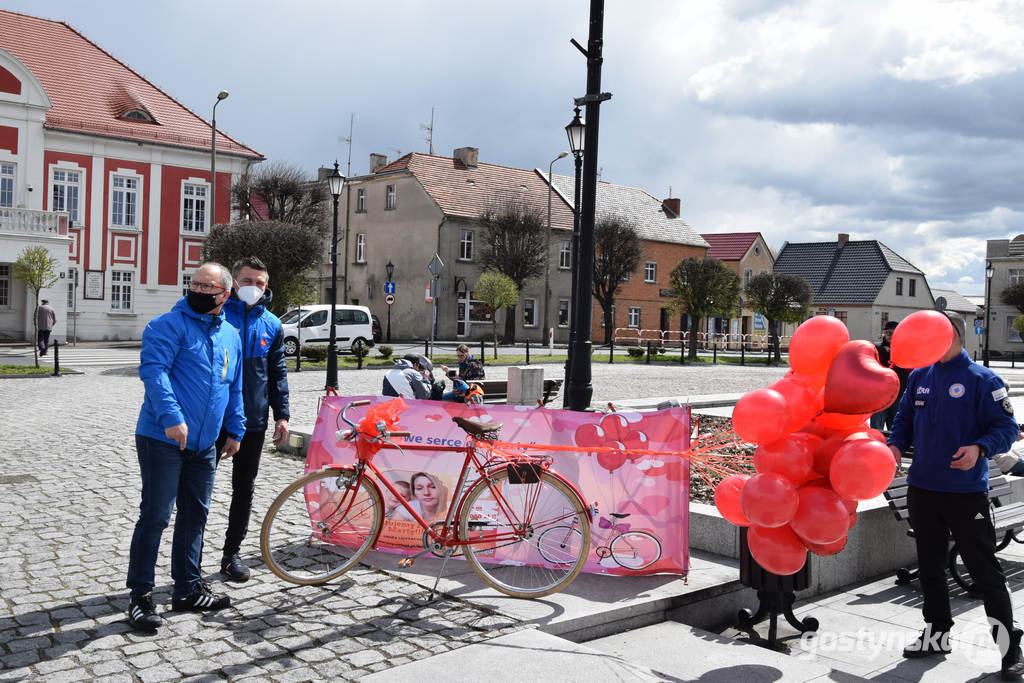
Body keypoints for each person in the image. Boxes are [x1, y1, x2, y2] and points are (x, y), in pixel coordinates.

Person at [887, 313, 1024, 679]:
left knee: (985, 573)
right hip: (923, 490)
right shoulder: (919, 377)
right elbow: (902, 422)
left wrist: (979, 448)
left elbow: (1008, 427)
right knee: (930, 569)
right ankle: (937, 635)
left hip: (966, 494)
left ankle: (1010, 649)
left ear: (950, 336)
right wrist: (895, 446)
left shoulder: (983, 379)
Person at [126, 262, 244, 632]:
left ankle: (187, 589)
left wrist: (235, 430)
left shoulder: (231, 335)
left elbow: (232, 387)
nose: (197, 290)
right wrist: (171, 417)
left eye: (207, 286)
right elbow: (154, 372)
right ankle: (141, 597)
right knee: (156, 516)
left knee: (196, 515)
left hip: (205, 445)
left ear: (225, 295)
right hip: (162, 438)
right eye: (193, 283)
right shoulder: (166, 326)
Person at [213, 257, 290, 582]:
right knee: (198, 488)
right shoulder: (216, 314)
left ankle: (232, 554)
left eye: (260, 283)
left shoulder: (272, 324)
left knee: (244, 488)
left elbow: (277, 373)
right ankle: (189, 558)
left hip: (253, 421)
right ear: (233, 283)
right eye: (247, 281)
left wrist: (282, 415)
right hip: (214, 419)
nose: (253, 288)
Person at [870, 320, 910, 432]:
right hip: (879, 397)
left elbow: (909, 369)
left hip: (897, 396)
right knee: (876, 430)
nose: (890, 336)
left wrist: (895, 354)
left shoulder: (905, 351)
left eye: (893, 333)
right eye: (888, 333)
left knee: (895, 431)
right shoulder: (877, 349)